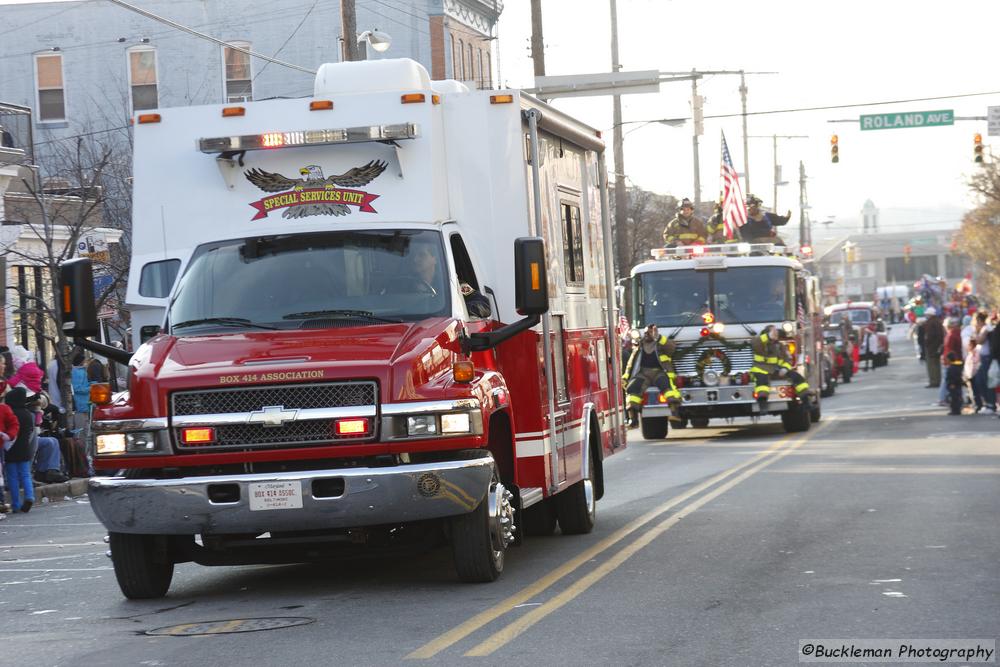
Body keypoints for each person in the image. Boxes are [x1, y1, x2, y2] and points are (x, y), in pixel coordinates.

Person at [622, 324, 680, 428]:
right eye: (645, 333)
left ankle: (674, 413)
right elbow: (631, 363)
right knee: (632, 389)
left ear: (653, 333)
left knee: (667, 387)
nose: (646, 335)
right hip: (643, 373)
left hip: (659, 372)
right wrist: (626, 377)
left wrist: (659, 337)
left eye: (648, 333)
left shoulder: (660, 344)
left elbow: (672, 349)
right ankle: (634, 420)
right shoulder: (639, 346)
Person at [750, 324, 810, 408]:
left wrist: (785, 369)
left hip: (776, 372)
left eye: (776, 332)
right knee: (762, 383)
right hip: (761, 371)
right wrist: (768, 336)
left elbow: (787, 360)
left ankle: (806, 401)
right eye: (772, 332)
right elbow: (755, 343)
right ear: (766, 334)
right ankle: (762, 405)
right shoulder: (760, 344)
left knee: (797, 376)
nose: (775, 334)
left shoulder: (780, 346)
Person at [4, 388, 35, 512]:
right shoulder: (27, 414)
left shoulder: (9, 413)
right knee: (26, 474)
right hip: (24, 448)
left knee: (12, 476)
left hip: (10, 448)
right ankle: (29, 496)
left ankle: (16, 504)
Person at [922, 307, 945, 388]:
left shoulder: (930, 323)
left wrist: (927, 343)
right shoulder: (938, 322)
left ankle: (934, 381)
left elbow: (929, 336)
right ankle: (937, 380)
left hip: (931, 347)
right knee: (937, 364)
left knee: (931, 365)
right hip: (937, 346)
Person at [944, 351, 964, 416]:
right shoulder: (956, 366)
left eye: (947, 359)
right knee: (955, 397)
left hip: (954, 385)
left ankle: (955, 410)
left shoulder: (952, 368)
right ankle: (956, 409)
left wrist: (952, 384)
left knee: (954, 398)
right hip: (956, 385)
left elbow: (953, 377)